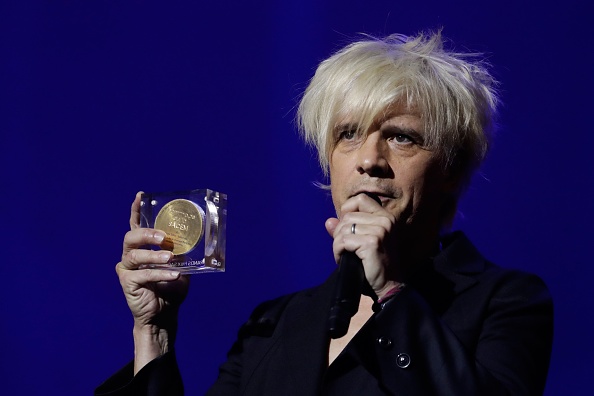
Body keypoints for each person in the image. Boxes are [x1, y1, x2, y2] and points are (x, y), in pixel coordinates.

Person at [96, 31, 553, 395]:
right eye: (348, 134)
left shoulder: (506, 302)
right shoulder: (274, 324)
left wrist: (390, 292)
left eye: (401, 137)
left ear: (450, 169)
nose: (369, 159)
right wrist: (153, 333)